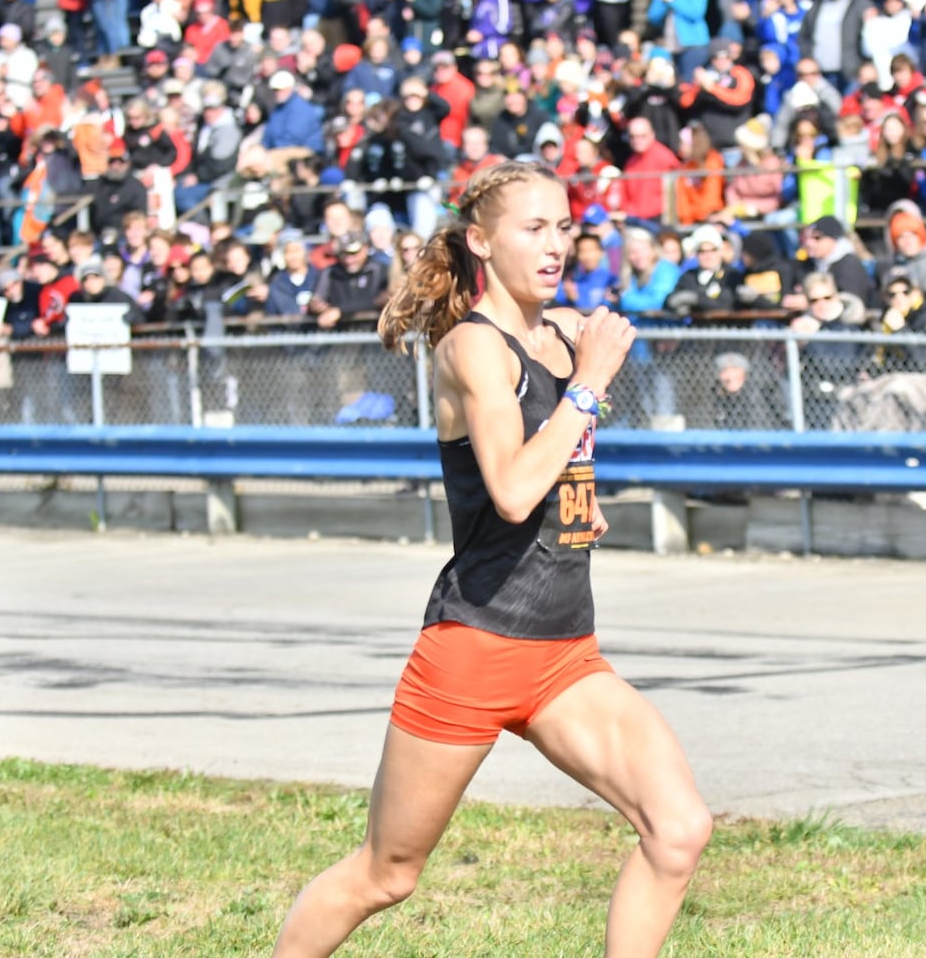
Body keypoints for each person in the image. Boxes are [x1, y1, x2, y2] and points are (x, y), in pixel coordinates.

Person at [273, 161, 711, 958]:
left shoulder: (564, 334)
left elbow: (546, 469)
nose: (555, 244)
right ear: (481, 240)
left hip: (564, 654)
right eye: (533, 228)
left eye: (565, 226)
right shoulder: (474, 346)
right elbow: (510, 490)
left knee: (678, 828)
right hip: (473, 649)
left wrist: (580, 499)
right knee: (387, 872)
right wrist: (591, 385)